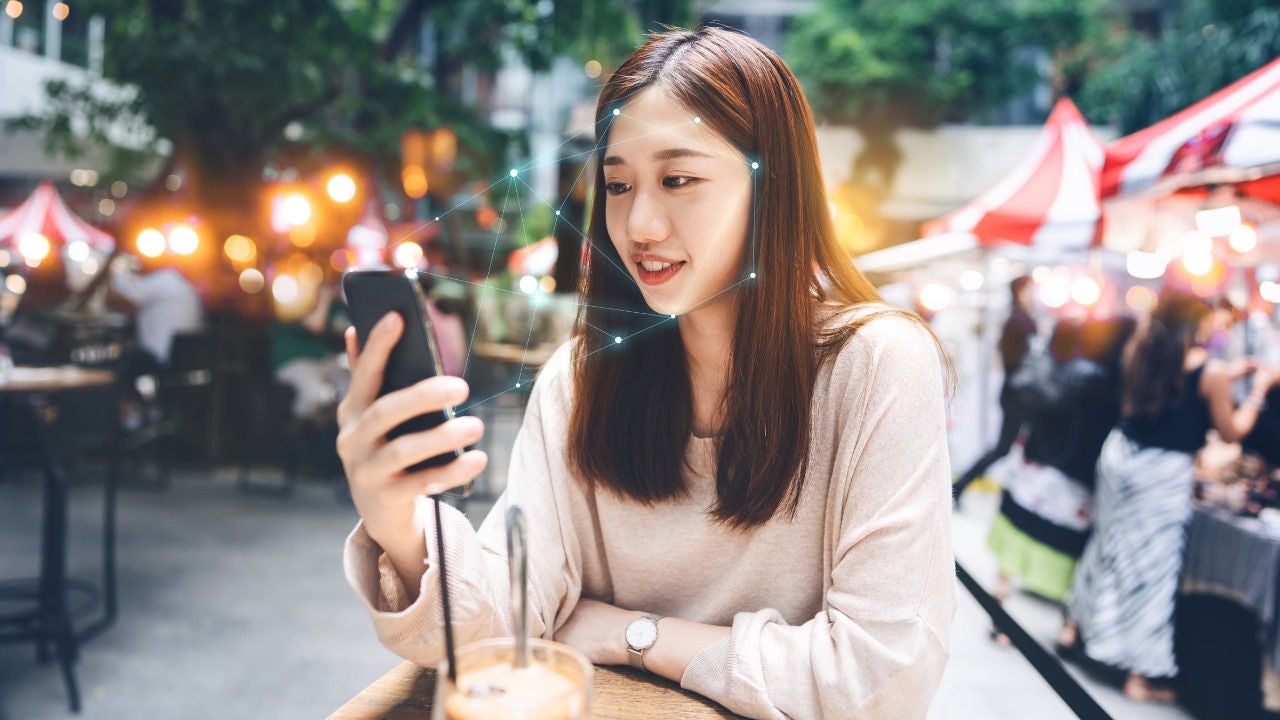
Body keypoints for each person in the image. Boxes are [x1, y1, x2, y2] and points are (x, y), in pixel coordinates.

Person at [337, 28, 955, 719]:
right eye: (619, 184)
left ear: (771, 187)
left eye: (679, 179)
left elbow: (881, 682)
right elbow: (503, 631)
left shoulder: (876, 366)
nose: (640, 225)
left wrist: (633, 636)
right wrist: (398, 522)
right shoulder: (582, 378)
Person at [1058, 290, 1280, 703]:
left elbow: (1176, 389)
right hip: (1162, 471)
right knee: (1153, 564)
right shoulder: (1210, 372)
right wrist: (1257, 389)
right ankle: (1138, 675)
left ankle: (1074, 628)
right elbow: (1231, 430)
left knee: (1106, 543)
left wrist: (1229, 374)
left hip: (1122, 454)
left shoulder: (1141, 352)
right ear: (1195, 322)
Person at [985, 316, 1133, 641]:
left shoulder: (1073, 367)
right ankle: (1067, 628)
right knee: (1067, 551)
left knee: (1017, 537)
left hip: (1040, 464)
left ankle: (1000, 611)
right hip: (1075, 478)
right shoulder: (1112, 384)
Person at [953, 275, 1036, 501]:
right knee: (1003, 447)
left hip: (1015, 393)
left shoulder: (1017, 318)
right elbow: (1015, 358)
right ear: (1022, 291)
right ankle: (961, 485)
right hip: (1017, 395)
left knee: (1005, 447)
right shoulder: (1018, 320)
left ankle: (962, 485)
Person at [270, 280, 350, 422]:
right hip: (293, 361)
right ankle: (300, 430)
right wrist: (324, 297)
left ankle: (336, 425)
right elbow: (314, 325)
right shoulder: (294, 296)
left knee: (349, 382)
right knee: (316, 393)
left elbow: (346, 326)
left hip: (322, 360)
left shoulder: (335, 306)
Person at [109, 253, 203, 370]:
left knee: (113, 364)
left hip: (159, 359)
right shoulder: (183, 284)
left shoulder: (164, 280)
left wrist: (116, 269)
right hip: (185, 363)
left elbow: (125, 292)